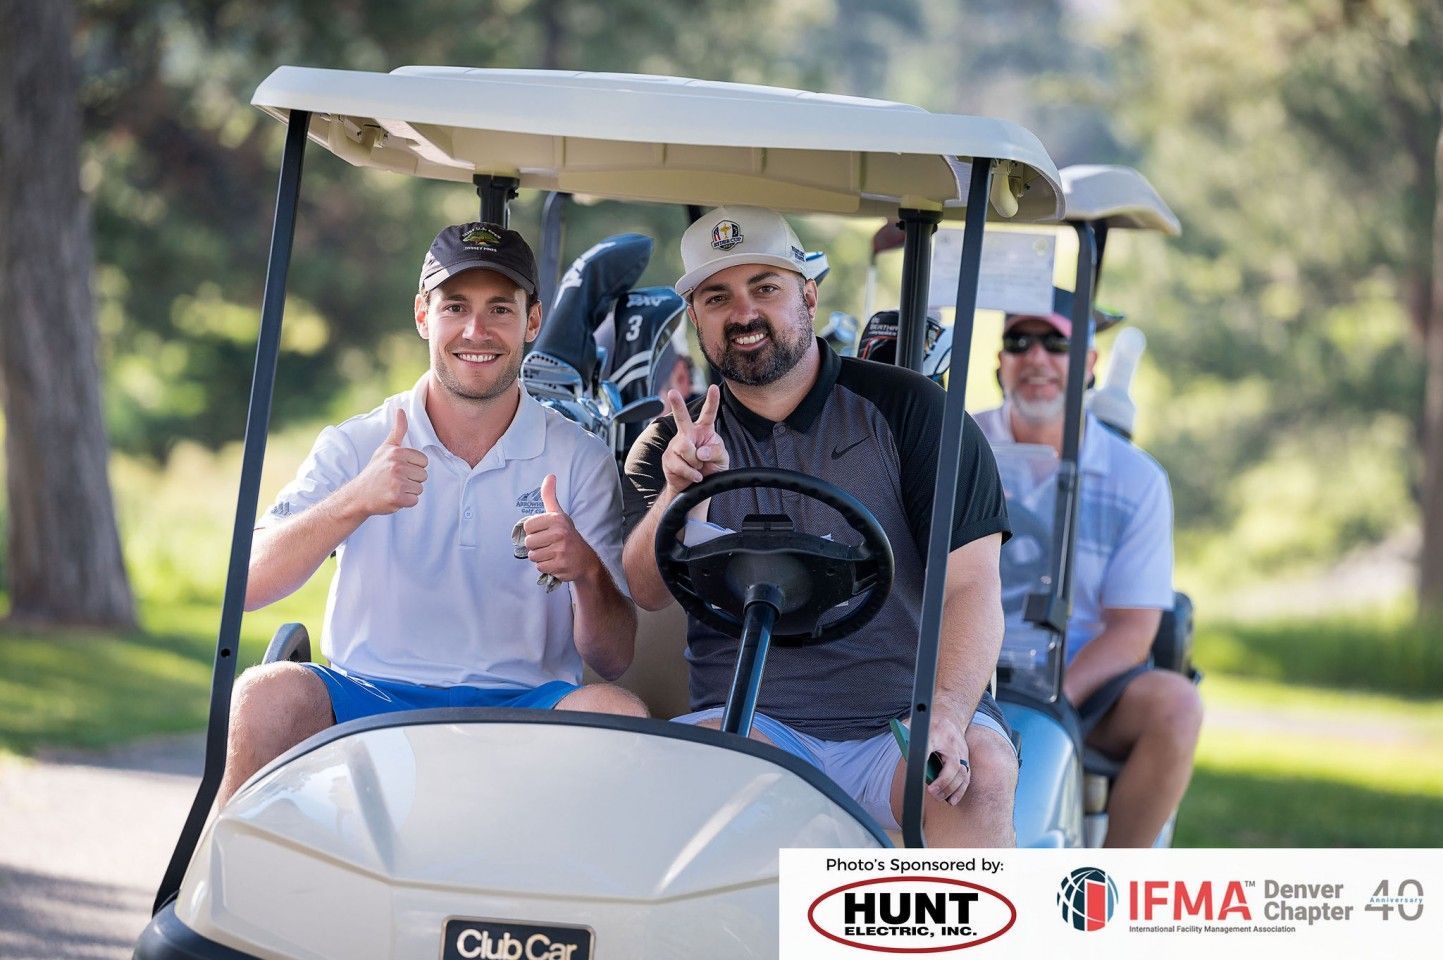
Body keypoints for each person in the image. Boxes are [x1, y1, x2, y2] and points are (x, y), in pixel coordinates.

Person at [622, 205, 1018, 846]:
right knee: (675, 775)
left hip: (897, 722)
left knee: (979, 771)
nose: (743, 313)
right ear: (696, 318)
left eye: (765, 288)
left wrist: (944, 715)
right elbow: (646, 591)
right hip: (753, 722)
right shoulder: (673, 436)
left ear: (808, 293)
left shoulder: (910, 413)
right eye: (718, 297)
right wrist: (678, 490)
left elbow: (971, 586)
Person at [220, 222, 645, 806]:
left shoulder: (580, 459)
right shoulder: (357, 443)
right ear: (423, 315)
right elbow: (244, 585)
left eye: (500, 308)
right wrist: (356, 500)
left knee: (616, 712)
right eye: (455, 307)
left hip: (522, 706)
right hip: (370, 695)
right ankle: (224, 886)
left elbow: (614, 660)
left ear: (532, 321)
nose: (477, 330)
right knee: (265, 693)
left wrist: (587, 571)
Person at [975, 291, 1203, 846]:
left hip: (1082, 683)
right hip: (966, 664)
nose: (1036, 357)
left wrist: (1053, 701)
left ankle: (1113, 889)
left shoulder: (1135, 479)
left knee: (1176, 708)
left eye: (1057, 343)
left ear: (1089, 365)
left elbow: (1133, 629)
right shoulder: (959, 445)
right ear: (999, 361)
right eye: (1019, 341)